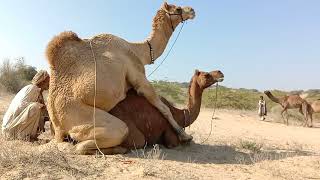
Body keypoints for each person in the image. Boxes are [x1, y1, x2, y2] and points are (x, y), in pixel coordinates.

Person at [2, 70, 50, 141]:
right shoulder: (32, 88)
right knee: (35, 107)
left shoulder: (38, 92)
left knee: (39, 109)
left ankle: (27, 135)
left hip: (13, 129)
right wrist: (41, 106)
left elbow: (44, 114)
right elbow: (21, 105)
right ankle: (23, 137)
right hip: (10, 130)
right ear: (42, 81)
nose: (50, 84)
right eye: (48, 81)